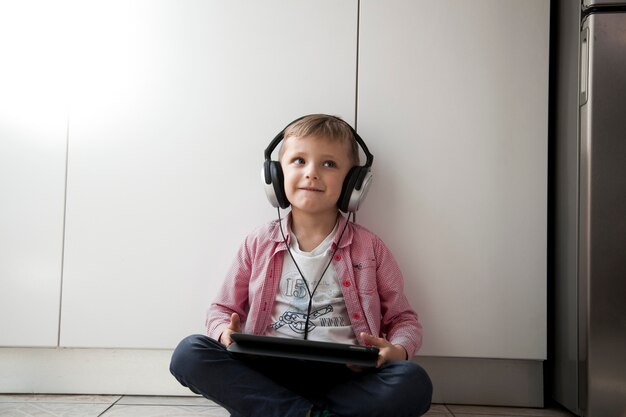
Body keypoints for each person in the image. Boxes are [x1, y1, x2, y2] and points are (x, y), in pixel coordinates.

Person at [170, 114, 432, 417]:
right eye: (298, 161)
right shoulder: (258, 242)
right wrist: (224, 334)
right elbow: (220, 309)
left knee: (414, 382)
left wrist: (396, 350)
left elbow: (405, 321)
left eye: (329, 164)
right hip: (269, 373)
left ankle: (284, 412)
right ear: (276, 176)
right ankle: (310, 413)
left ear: (354, 183)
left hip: (347, 378)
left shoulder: (370, 248)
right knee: (188, 353)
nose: (312, 173)